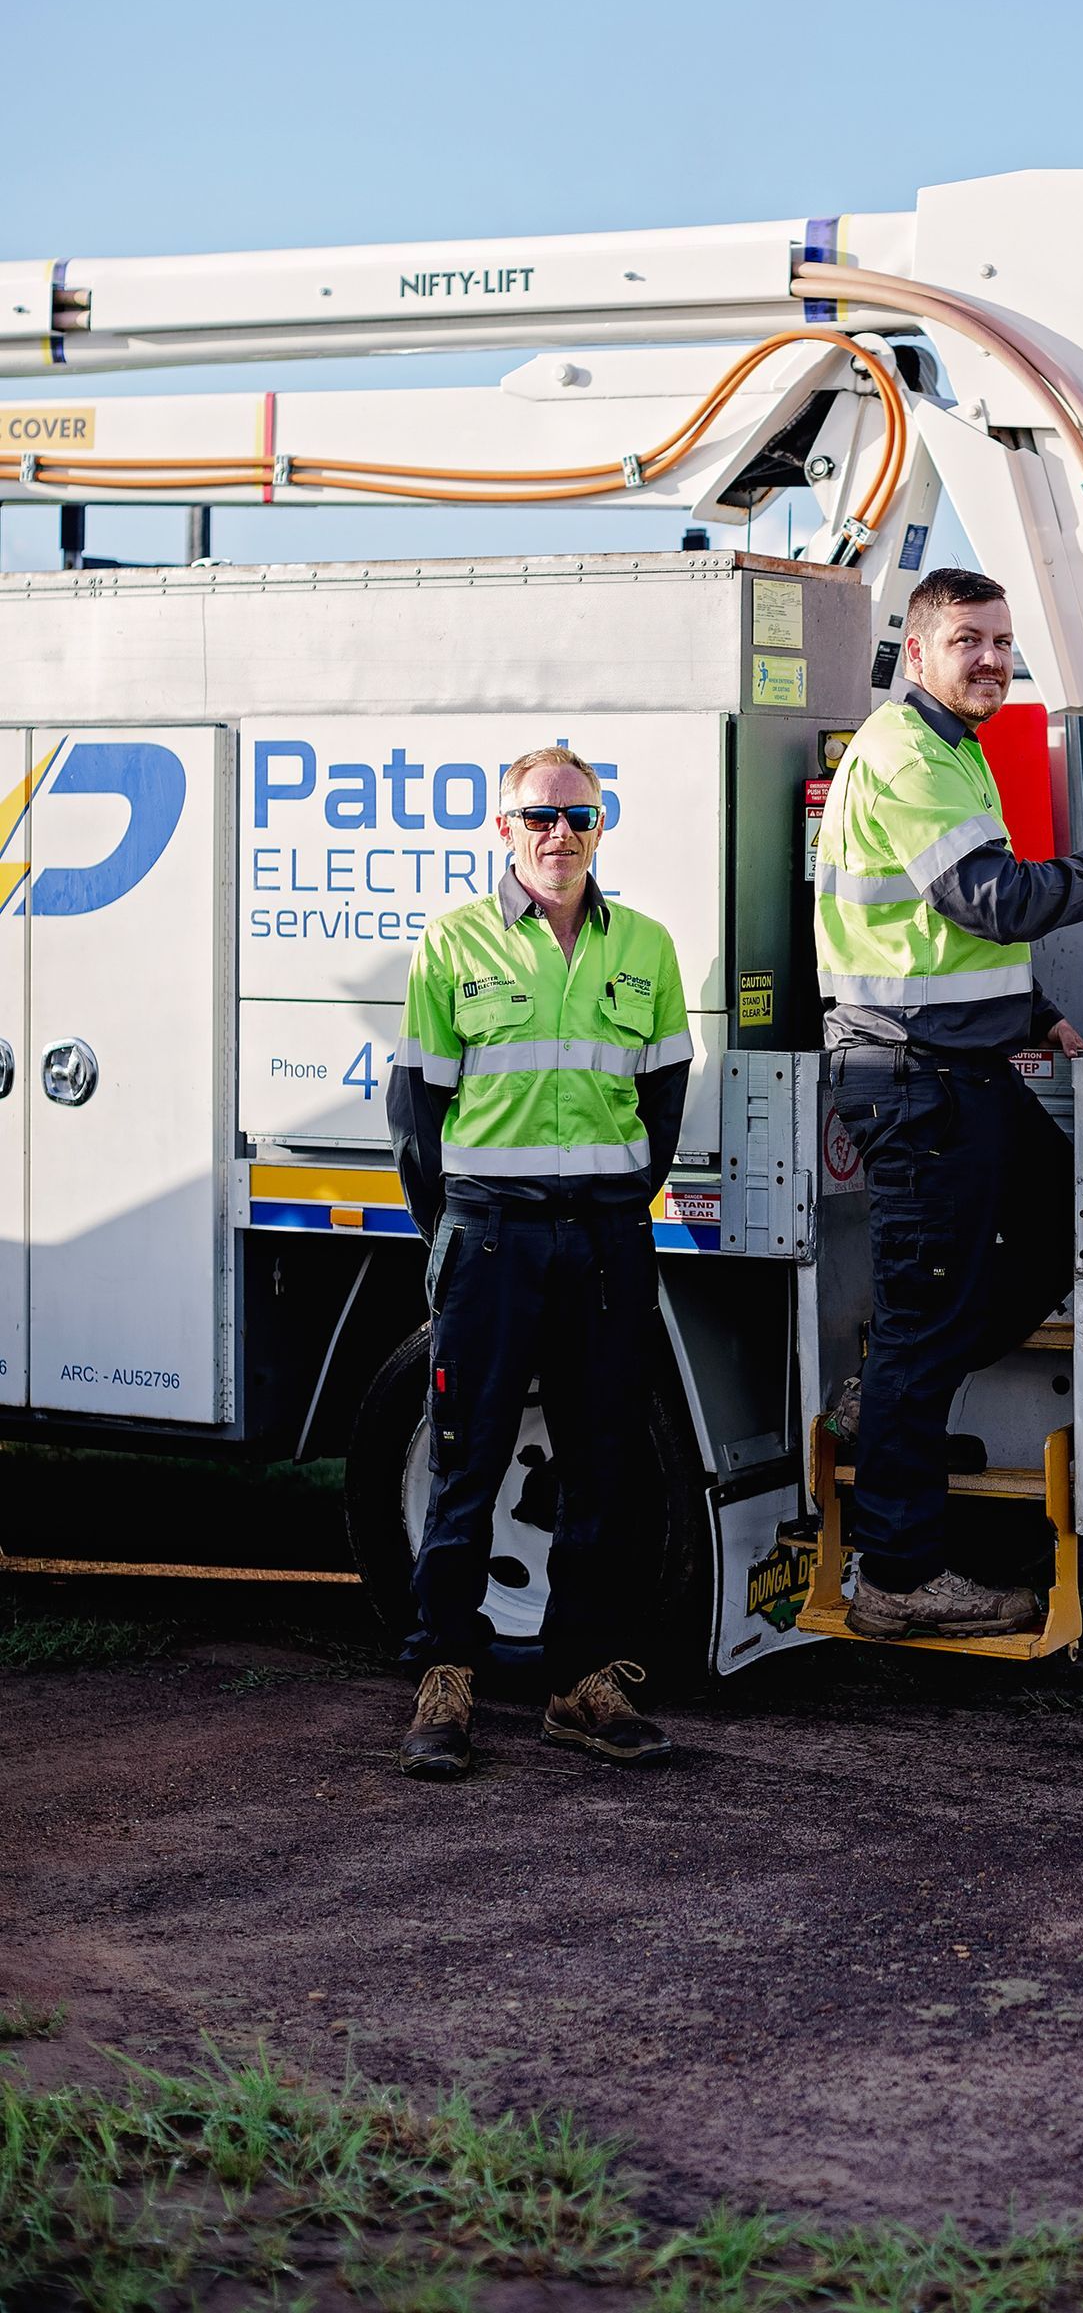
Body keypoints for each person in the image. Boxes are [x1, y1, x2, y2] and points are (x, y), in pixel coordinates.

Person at [814, 566, 1083, 1640]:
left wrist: (1029, 1012)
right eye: (970, 639)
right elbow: (989, 900)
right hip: (909, 1078)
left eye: (1004, 642)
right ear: (917, 650)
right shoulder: (910, 753)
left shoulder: (952, 752)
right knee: (925, 1322)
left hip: (957, 1065)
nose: (994, 659)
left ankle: (891, 1393)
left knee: (1060, 1222)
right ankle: (899, 1579)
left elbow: (947, 938)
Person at [385, 746, 692, 1780]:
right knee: (466, 1462)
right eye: (540, 815)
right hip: (490, 1236)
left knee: (601, 1466)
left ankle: (579, 1686)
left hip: (606, 1239)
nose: (561, 833)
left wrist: (611, 1204)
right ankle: (445, 1682)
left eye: (581, 815)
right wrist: (461, 1233)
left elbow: (662, 1106)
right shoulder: (451, 943)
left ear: (602, 826)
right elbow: (418, 1117)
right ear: (503, 827)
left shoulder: (646, 946)